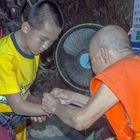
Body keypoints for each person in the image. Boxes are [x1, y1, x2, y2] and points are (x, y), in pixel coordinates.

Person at [42, 25, 140, 140]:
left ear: (103, 53)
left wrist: (54, 106)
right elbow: (105, 107)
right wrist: (72, 97)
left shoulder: (120, 72)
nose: (92, 68)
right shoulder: (133, 67)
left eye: (91, 59)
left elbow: (80, 121)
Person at [0, 0, 64, 139]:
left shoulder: (32, 47)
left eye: (52, 41)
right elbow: (18, 106)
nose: (46, 46)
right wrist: (56, 109)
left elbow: (21, 86)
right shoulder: (4, 58)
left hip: (14, 120)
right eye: (43, 39)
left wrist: (34, 103)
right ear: (26, 28)